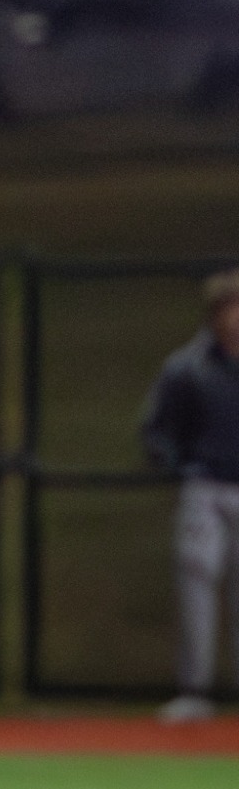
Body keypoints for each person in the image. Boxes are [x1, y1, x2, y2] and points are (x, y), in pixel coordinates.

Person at [142, 269, 239, 722]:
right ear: (216, 315)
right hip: (206, 486)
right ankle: (195, 689)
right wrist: (177, 463)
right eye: (230, 308)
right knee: (198, 581)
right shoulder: (189, 366)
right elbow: (158, 429)